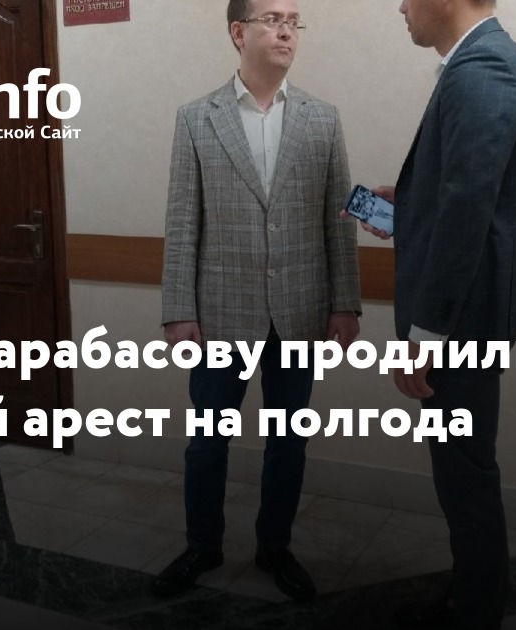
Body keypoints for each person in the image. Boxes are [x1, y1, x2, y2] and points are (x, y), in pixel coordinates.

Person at [153, 0, 361, 603]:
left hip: (300, 310)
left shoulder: (322, 119)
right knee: (207, 442)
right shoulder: (198, 118)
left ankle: (275, 546)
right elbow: (182, 221)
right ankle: (202, 544)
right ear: (238, 32)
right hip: (220, 311)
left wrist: (344, 302)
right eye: (273, 19)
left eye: (294, 21)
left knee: (288, 441)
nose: (286, 31)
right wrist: (179, 310)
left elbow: (337, 222)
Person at [349, 0, 516, 627]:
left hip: (461, 321)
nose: (401, 6)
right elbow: (464, 194)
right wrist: (408, 206)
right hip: (469, 314)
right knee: (463, 471)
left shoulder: (485, 70)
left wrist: (425, 333)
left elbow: (469, 211)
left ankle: (475, 610)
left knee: (465, 477)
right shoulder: (482, 63)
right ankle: (471, 599)